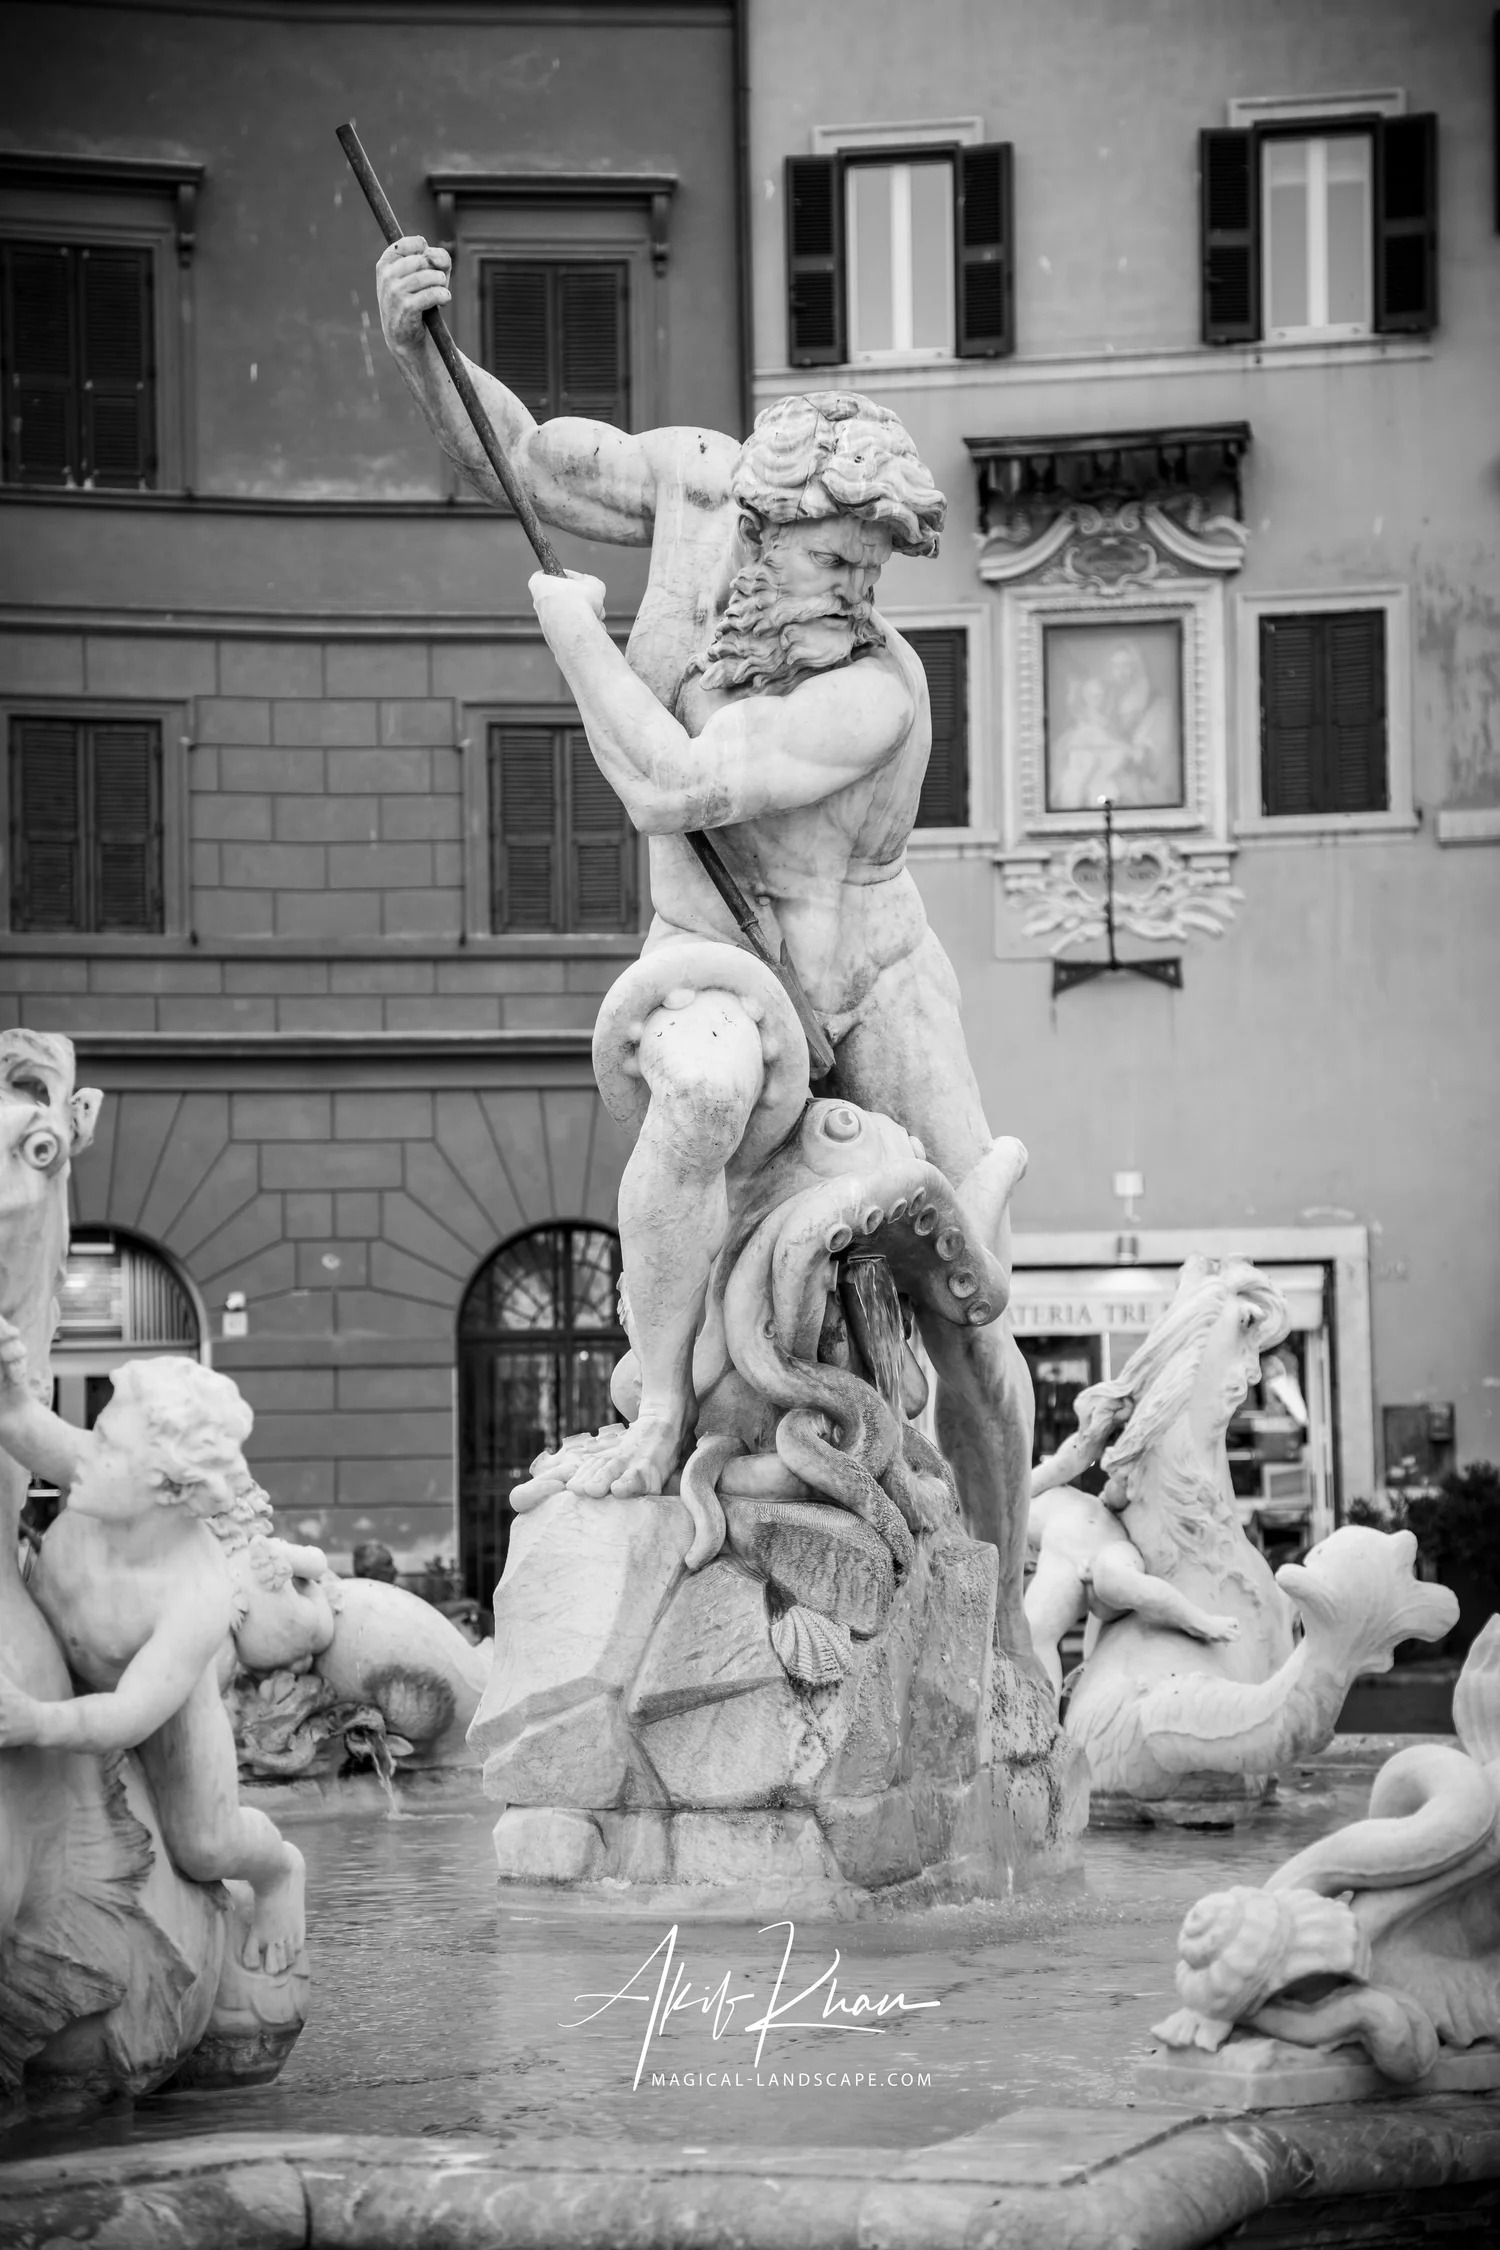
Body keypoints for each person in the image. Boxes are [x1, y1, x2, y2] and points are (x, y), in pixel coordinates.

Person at [376, 239, 1037, 1663]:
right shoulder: (688, 484)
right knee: (698, 1095)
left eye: (875, 570)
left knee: (973, 1301)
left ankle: (1002, 1622)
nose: (859, 592)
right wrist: (420, 344)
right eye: (838, 560)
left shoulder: (876, 686)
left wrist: (574, 640)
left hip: (871, 973)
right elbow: (520, 456)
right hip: (710, 953)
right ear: (764, 518)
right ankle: (664, 1402)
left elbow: (672, 782)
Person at [0, 1331, 305, 1972]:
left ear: (167, 1488)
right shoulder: (106, 1477)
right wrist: (9, 1376)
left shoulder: (193, 1596)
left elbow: (129, 1715)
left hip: (163, 1706)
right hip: (60, 1647)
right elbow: (20, 1421)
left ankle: (279, 1871)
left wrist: (37, 1721)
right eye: (99, 1431)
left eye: (107, 1446)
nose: (85, 1450)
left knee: (207, 1844)